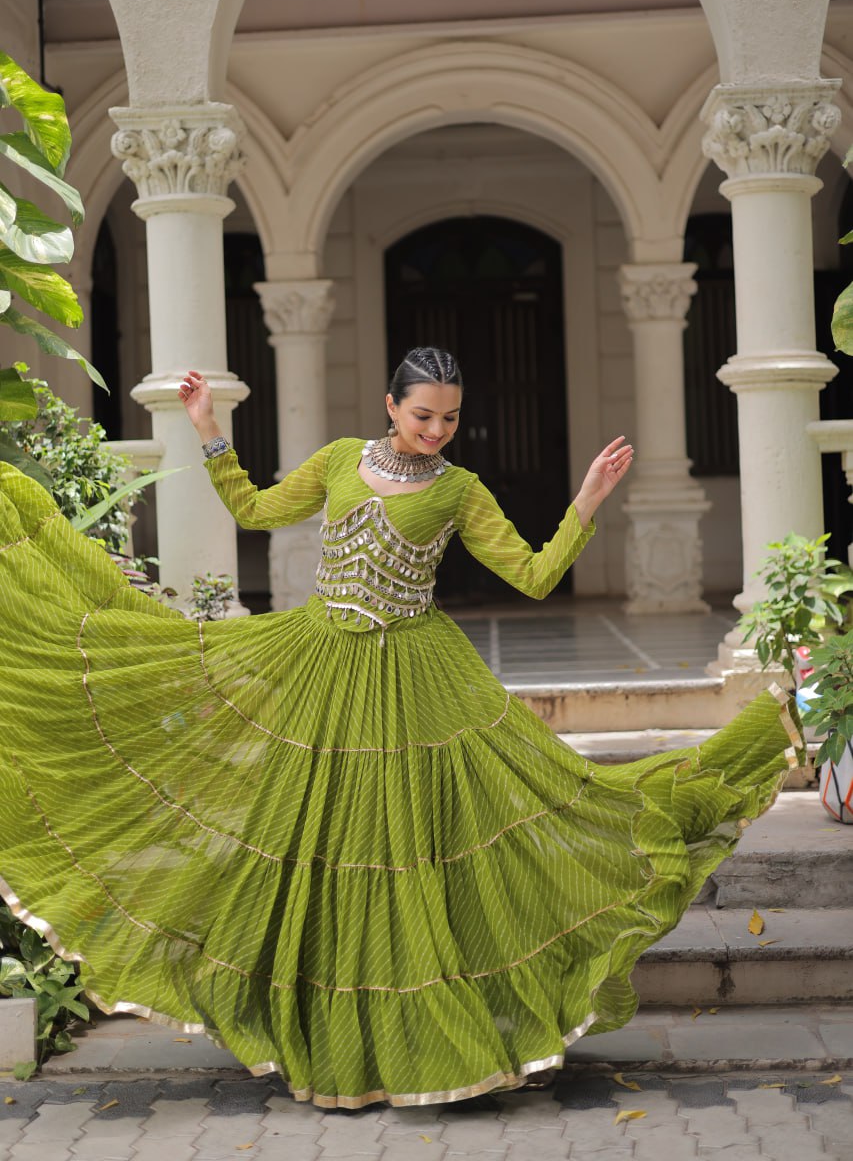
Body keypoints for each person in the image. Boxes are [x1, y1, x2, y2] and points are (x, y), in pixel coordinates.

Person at [0, 346, 801, 1110]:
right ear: (391, 405)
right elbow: (254, 510)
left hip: (418, 680)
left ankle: (426, 1037)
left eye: (449, 419)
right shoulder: (340, 458)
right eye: (423, 415)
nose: (435, 431)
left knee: (418, 846)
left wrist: (586, 498)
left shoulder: (459, 490)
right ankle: (323, 1040)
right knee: (314, 845)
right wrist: (209, 427)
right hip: (318, 664)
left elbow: (531, 575)